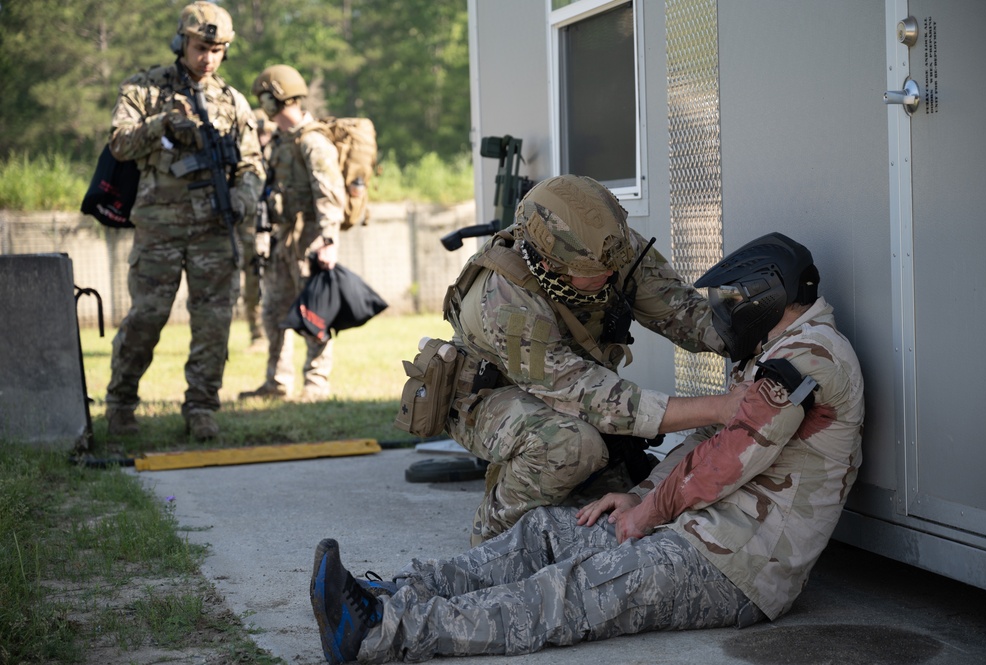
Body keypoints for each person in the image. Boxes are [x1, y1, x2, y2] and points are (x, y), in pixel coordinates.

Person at [309, 231, 865, 663]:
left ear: (763, 295)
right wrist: (640, 497)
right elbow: (705, 440)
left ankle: (379, 633)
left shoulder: (811, 356)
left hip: (737, 567)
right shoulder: (782, 350)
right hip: (696, 531)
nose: (723, 313)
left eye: (731, 300)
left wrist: (649, 511)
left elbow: (730, 457)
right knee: (546, 533)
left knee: (567, 593)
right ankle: (385, 592)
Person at [438, 174, 736, 545]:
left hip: (569, 386)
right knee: (570, 446)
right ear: (549, 265)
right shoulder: (506, 297)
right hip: (490, 396)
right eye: (594, 274)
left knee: (617, 519)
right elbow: (585, 394)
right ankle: (492, 538)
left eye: (613, 266)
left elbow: (683, 314)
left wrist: (761, 333)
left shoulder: (608, 252)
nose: (610, 276)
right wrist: (720, 408)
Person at [104, 1, 265, 440]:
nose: (208, 57)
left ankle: (201, 408)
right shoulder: (145, 88)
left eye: (218, 49)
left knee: (213, 324)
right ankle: (120, 403)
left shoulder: (233, 101)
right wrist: (161, 125)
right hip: (160, 228)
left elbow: (253, 166)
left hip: (215, 229)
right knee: (147, 318)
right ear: (182, 42)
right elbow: (119, 144)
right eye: (201, 47)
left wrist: (241, 198)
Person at [239, 64, 347, 403]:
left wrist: (328, 241)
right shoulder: (281, 141)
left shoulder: (313, 141)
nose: (263, 106)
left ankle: (316, 383)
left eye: (265, 99)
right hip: (282, 241)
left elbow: (329, 194)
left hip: (310, 240)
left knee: (313, 313)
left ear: (279, 99)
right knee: (274, 312)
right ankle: (277, 381)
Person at [240, 108, 277, 353]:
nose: (262, 137)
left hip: (275, 228)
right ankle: (257, 334)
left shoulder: (280, 155)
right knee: (252, 284)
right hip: (250, 228)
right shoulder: (244, 157)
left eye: (266, 133)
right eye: (259, 132)